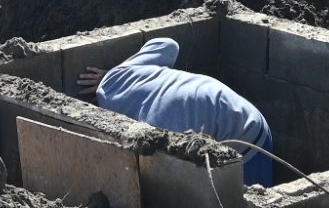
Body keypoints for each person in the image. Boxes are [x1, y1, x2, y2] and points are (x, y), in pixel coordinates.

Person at [77, 38, 275, 186]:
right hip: (244, 113)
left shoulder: (157, 125)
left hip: (246, 142)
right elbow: (168, 44)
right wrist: (114, 70)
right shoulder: (125, 71)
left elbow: (179, 176)